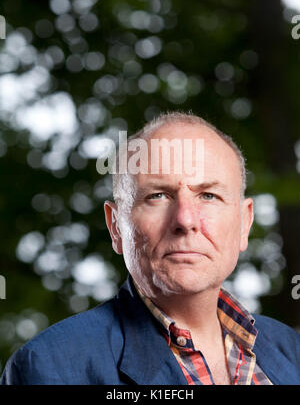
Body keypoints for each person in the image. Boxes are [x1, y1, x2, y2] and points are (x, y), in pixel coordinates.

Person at [1, 111, 300, 385]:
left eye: (208, 195)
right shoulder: (47, 367)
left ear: (245, 222)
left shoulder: (294, 352)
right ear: (116, 226)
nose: (185, 219)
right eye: (157, 195)